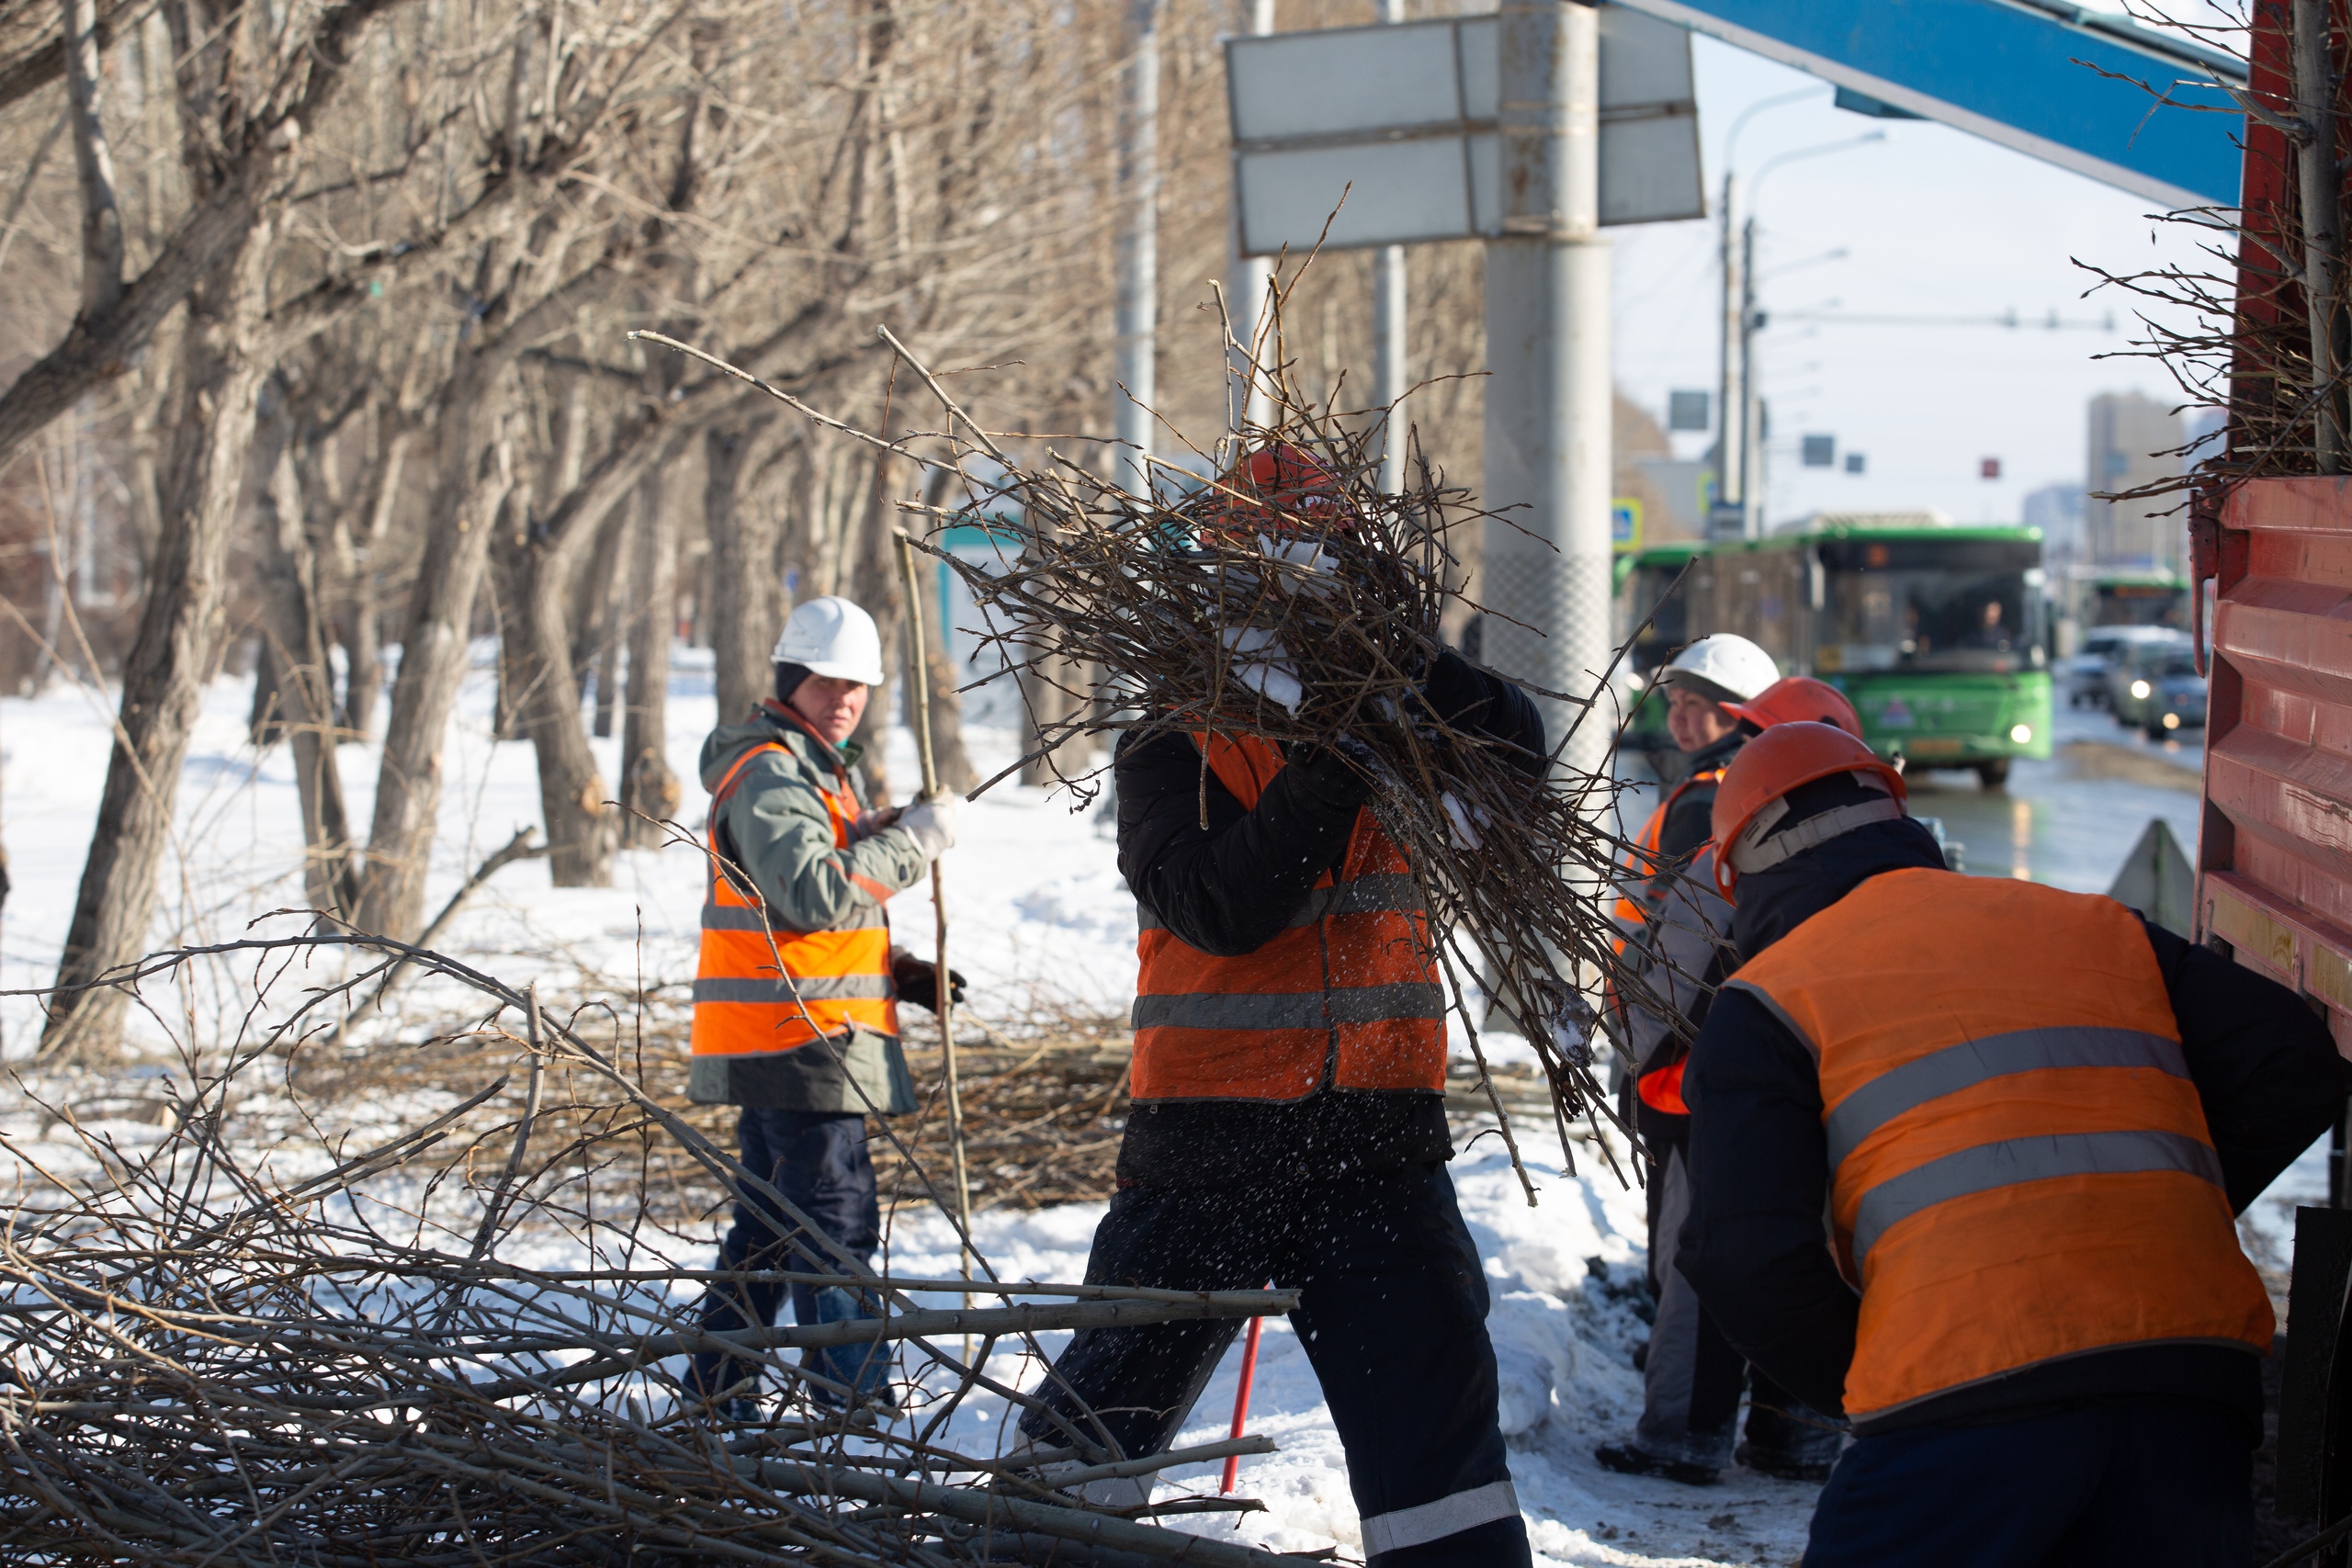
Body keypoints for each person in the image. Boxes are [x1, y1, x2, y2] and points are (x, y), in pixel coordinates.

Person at [1013, 446, 1545, 1567]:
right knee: (1091, 1442)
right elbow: (1218, 906)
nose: (1303, 586)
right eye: (1278, 559)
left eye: (1324, 557)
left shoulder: (1410, 717)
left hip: (1376, 1144)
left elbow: (1518, 758)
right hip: (1212, 1144)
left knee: (1439, 1463)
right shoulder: (1171, 740)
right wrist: (1334, 765)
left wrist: (1410, 673)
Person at [1678, 721, 2346, 1565]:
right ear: (1896, 820)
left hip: (1960, 1405)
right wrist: (2159, 1210)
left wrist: (1872, 1364)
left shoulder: (1768, 997)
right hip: (2188, 1379)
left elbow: (1742, 1257)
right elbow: (2293, 1062)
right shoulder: (2093, 926)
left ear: (1746, 875)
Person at [682, 595, 964, 1420]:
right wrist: (912, 844)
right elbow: (811, 893)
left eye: (859, 685)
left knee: (769, 1228)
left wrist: (897, 969)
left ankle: (715, 1395)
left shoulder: (814, 769)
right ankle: (854, 1410)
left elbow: (813, 914)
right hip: (796, 1038)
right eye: (828, 679)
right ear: (793, 677)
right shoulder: (771, 770)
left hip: (797, 1027)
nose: (844, 697)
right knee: (833, 1225)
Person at [1596, 671, 1857, 1486]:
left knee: (1698, 1263)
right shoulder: (1871, 857)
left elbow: (1660, 988)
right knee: (1808, 1256)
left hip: (1699, 1096)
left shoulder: (1724, 857)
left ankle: (1683, 1435)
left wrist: (1636, 1069)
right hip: (1828, 1096)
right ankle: (1797, 1432)